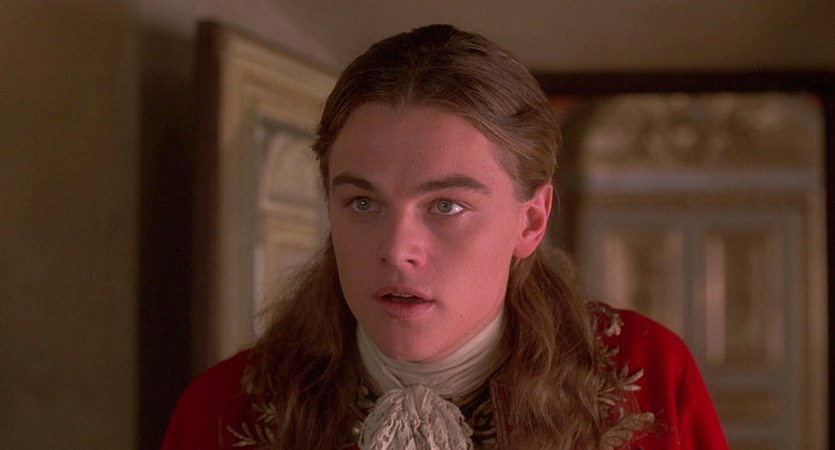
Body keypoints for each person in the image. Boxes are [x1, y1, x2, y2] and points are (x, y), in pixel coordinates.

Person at [161, 24, 728, 450]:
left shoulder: (647, 380)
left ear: (531, 220)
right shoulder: (222, 411)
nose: (396, 249)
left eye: (446, 206)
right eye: (363, 203)